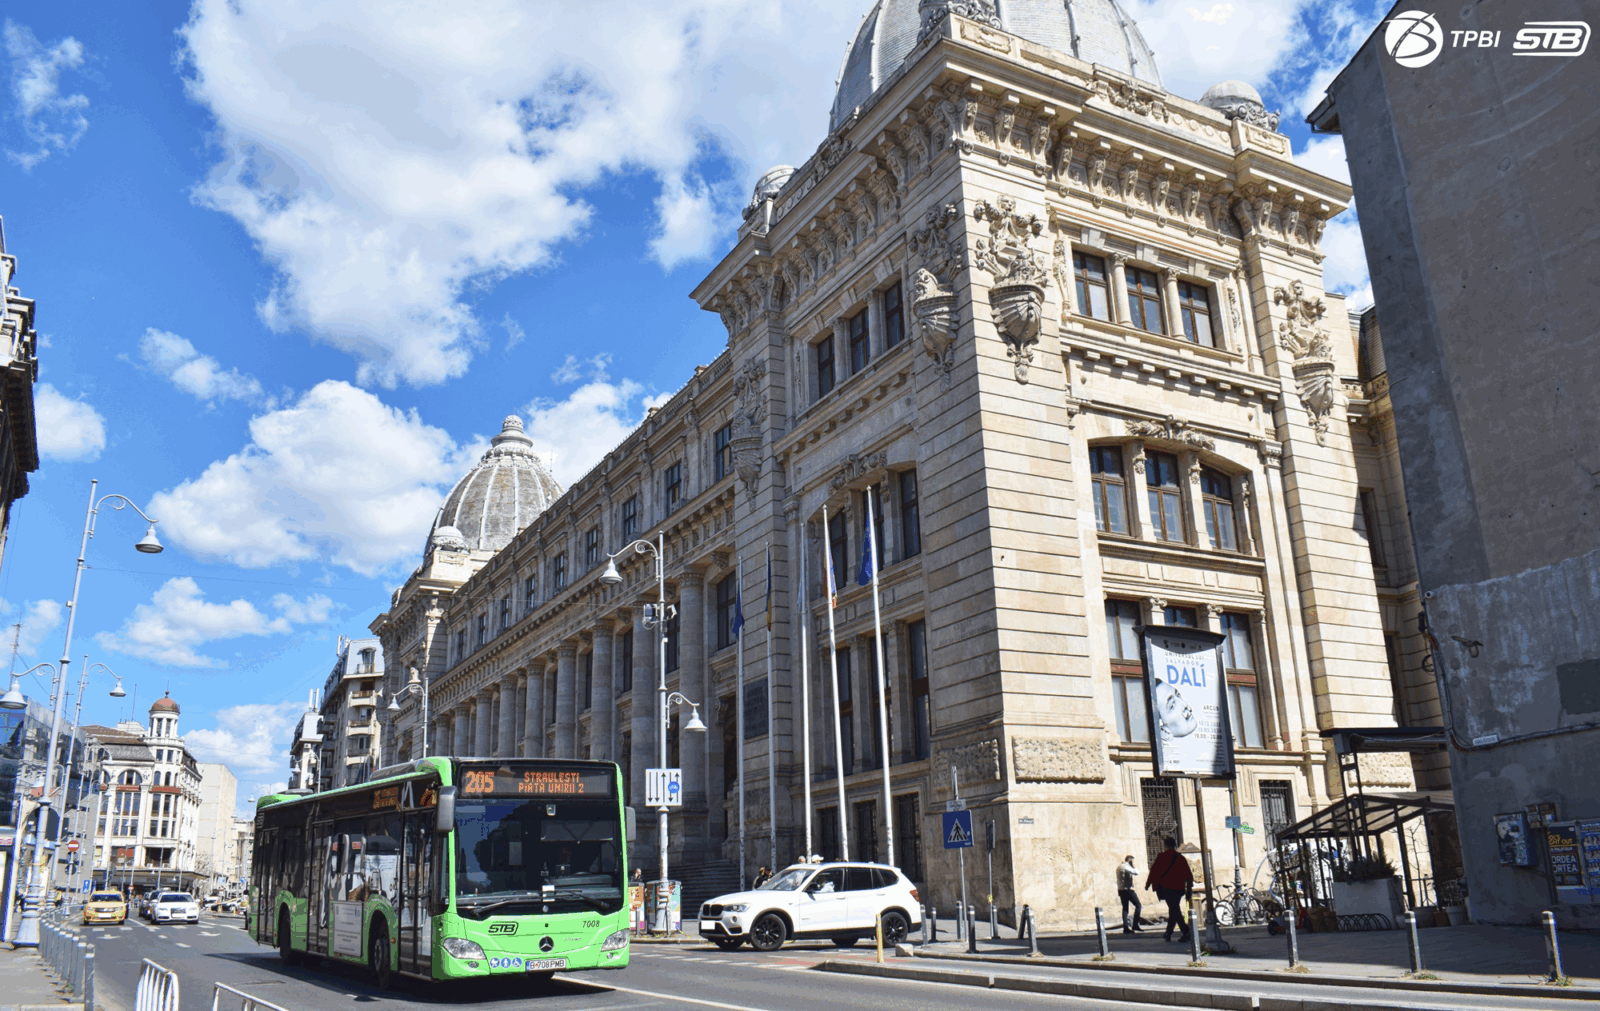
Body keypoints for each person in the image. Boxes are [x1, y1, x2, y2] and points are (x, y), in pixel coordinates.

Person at [1145, 836, 1193, 942]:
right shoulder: (1180, 858)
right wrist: (1189, 888)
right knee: (1174, 909)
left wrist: (1148, 884)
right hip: (1179, 888)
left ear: (1165, 845)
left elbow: (1154, 871)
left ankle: (1186, 932)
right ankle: (1168, 932)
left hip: (1166, 888)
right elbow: (1188, 874)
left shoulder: (1161, 857)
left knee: (1174, 909)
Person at [1116, 854, 1144, 933]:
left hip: (1121, 890)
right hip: (1128, 890)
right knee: (1138, 905)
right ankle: (1135, 925)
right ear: (1130, 860)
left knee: (1125, 908)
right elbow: (1136, 872)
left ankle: (1126, 927)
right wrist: (1134, 866)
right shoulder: (1126, 867)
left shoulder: (1119, 867)